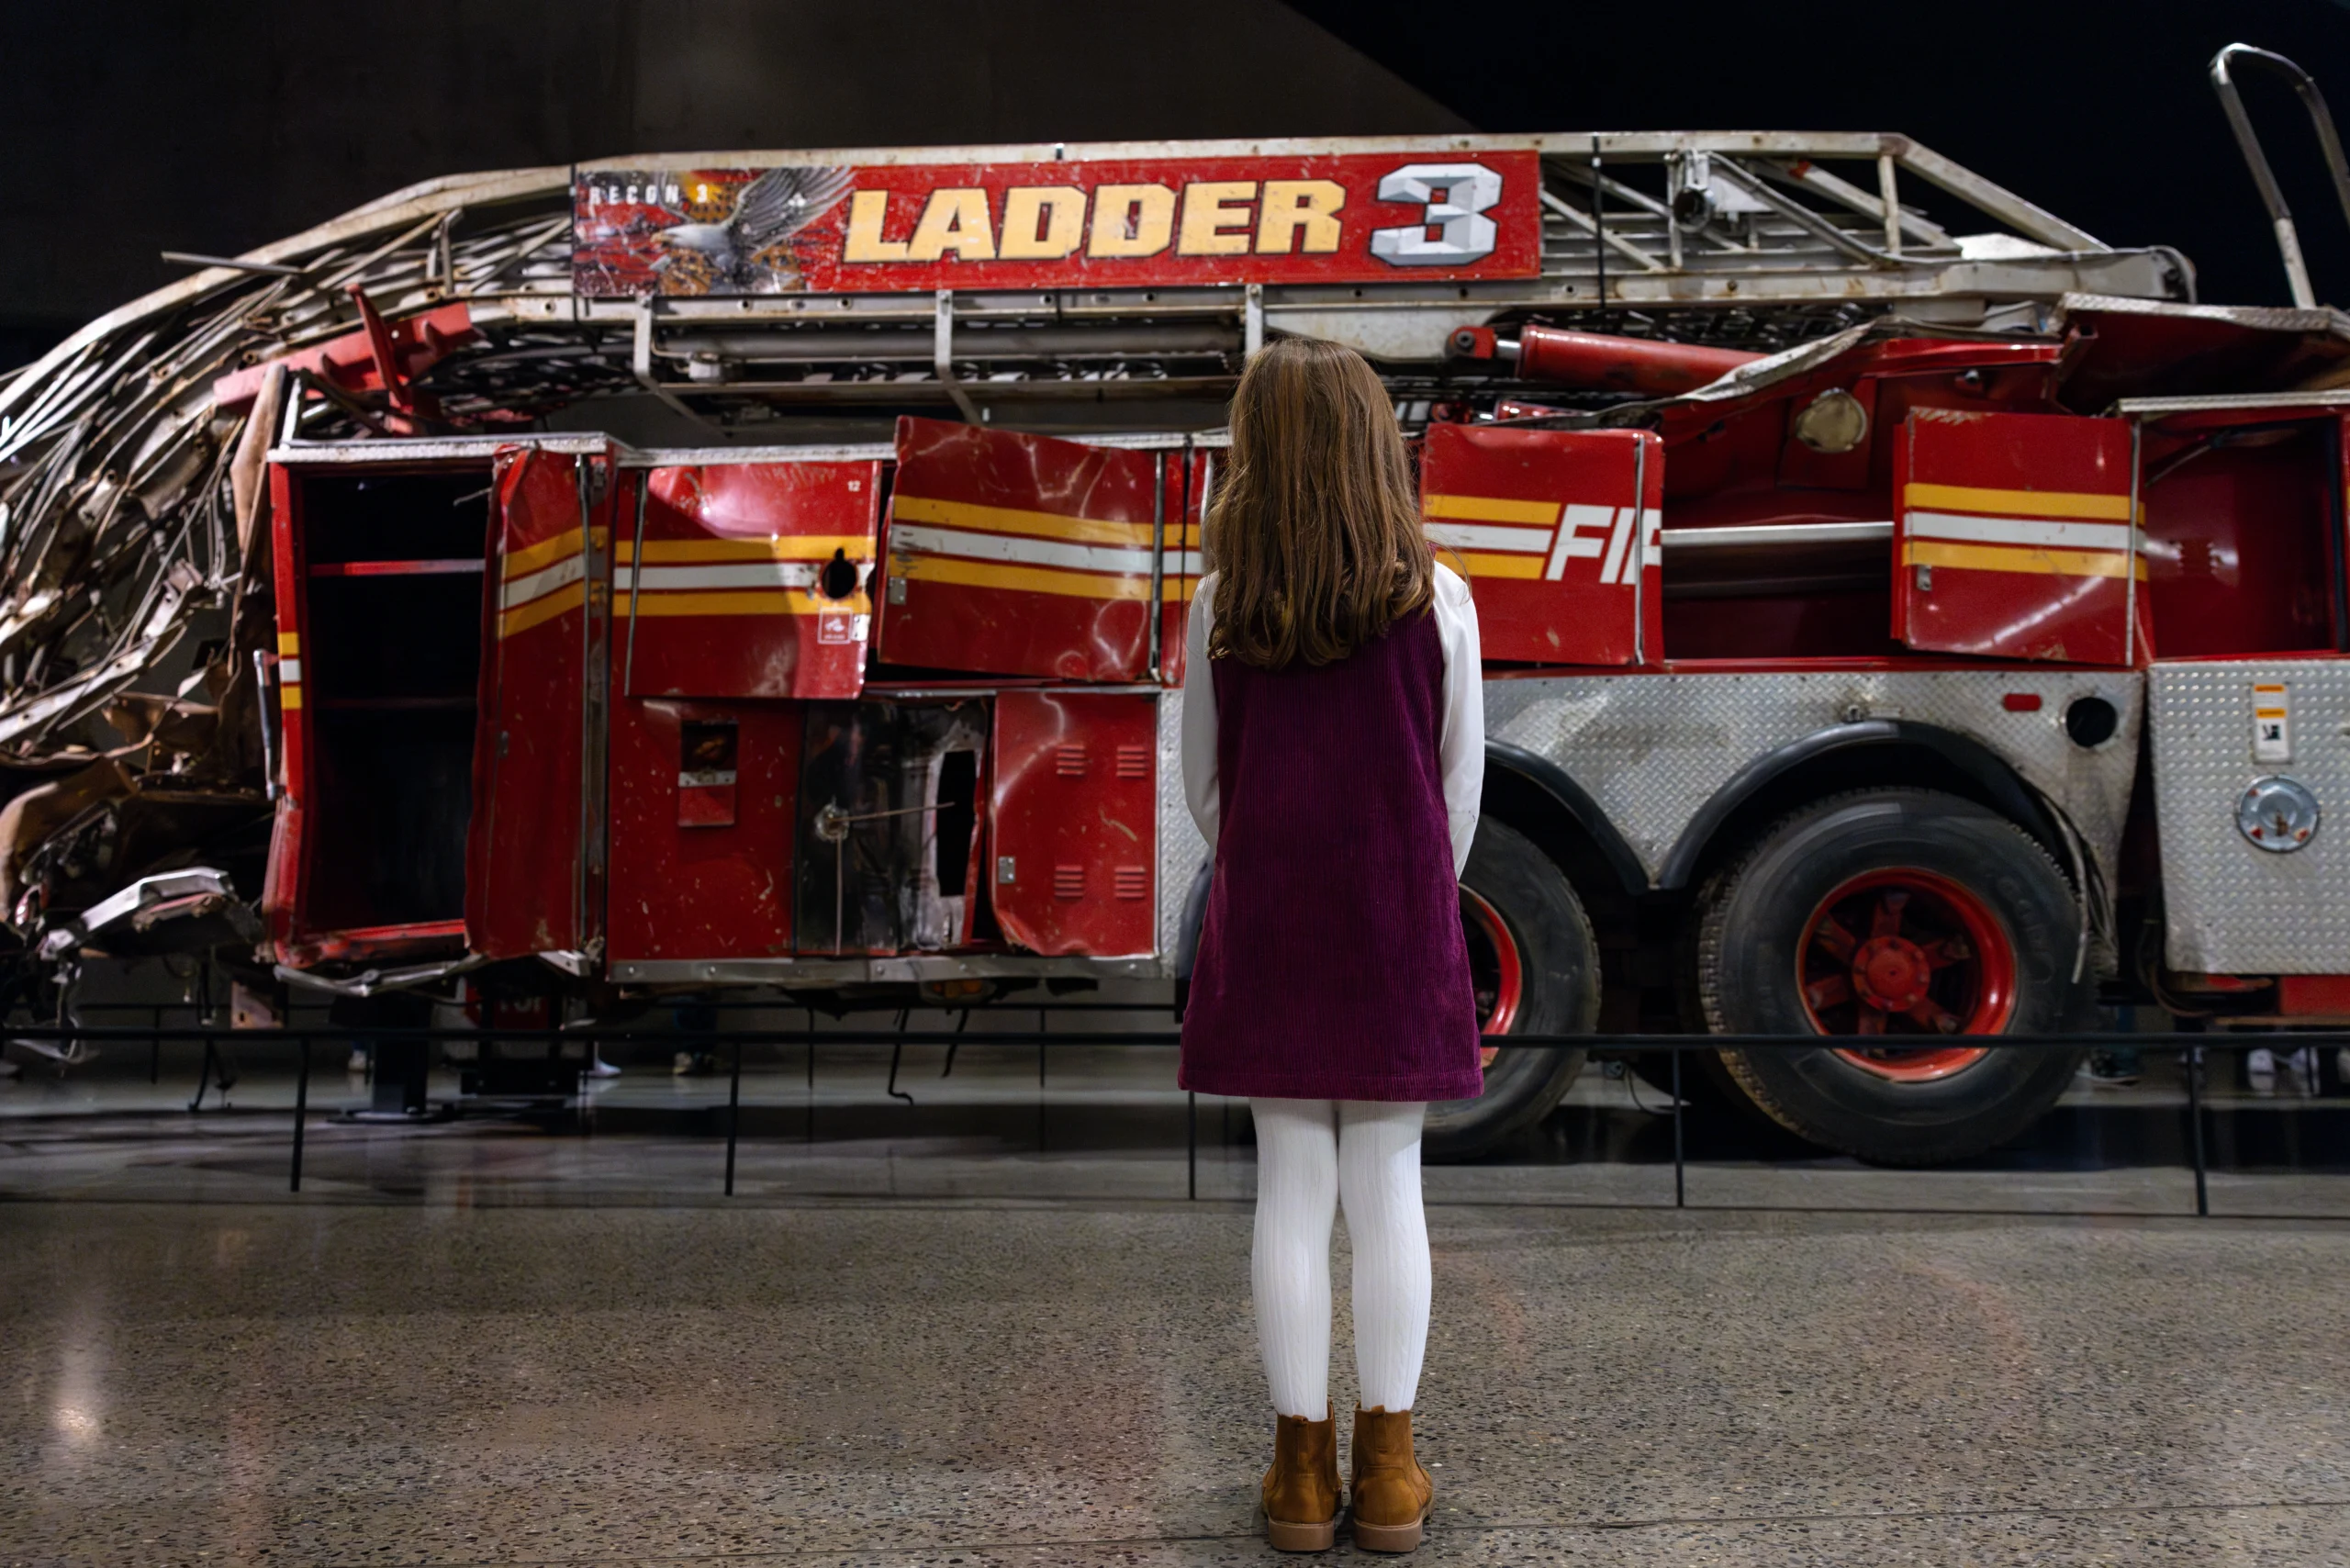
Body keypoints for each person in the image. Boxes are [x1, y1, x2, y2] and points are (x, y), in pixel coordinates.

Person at [1178, 337, 1485, 1554]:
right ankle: (1393, 1477)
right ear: (1375, 444)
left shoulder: (1220, 602)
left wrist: (1266, 862)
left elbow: (1203, 788)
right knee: (1389, 1192)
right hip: (1396, 914)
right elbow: (1460, 786)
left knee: (1290, 1194)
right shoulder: (1440, 596)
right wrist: (1413, 883)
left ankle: (1300, 1480)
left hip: (1273, 917)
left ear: (1256, 448)